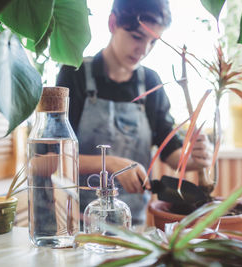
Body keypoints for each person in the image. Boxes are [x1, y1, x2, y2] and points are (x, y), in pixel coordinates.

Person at [56, 0, 212, 226]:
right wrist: (109, 164)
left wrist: (197, 157)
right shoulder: (74, 74)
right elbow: (53, 159)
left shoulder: (151, 83)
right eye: (137, 37)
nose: (144, 50)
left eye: (153, 42)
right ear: (112, 23)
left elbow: (172, 154)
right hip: (75, 223)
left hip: (131, 225)